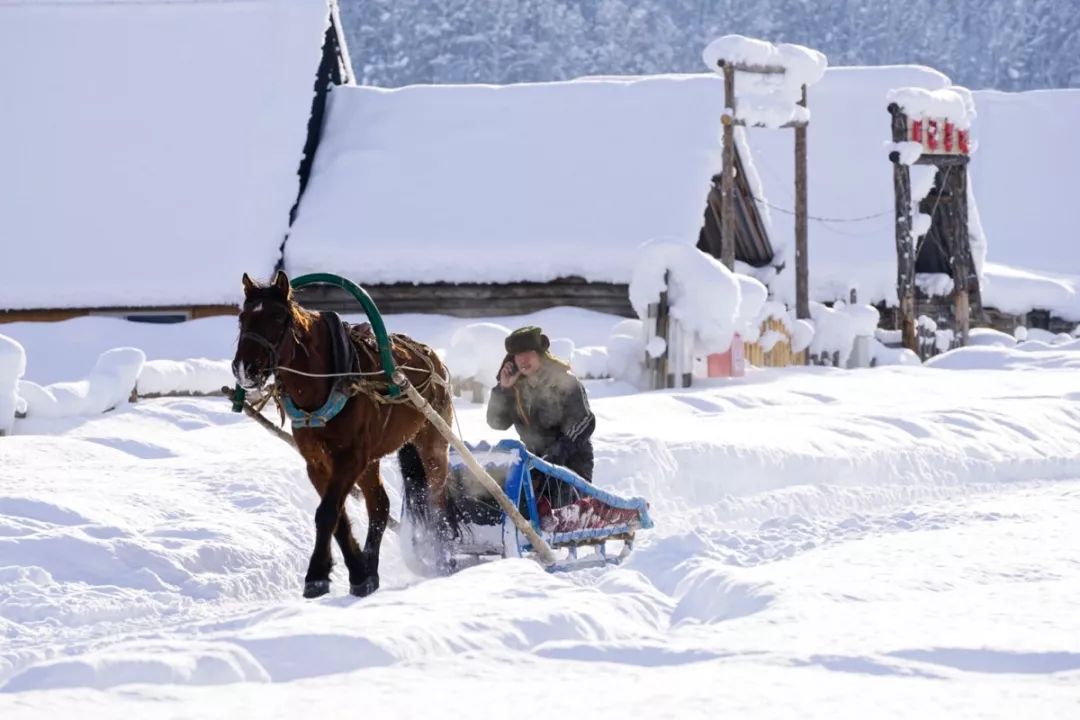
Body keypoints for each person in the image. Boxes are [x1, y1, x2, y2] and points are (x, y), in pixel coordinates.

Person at [486, 326, 596, 508]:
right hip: (532, 464)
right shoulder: (514, 388)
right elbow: (496, 422)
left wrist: (556, 454)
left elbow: (585, 422)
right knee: (505, 500)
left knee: (557, 514)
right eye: (518, 355)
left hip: (570, 465)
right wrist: (503, 389)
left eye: (528, 353)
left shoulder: (564, 381)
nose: (523, 360)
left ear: (540, 354)